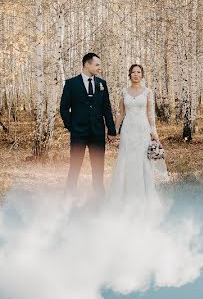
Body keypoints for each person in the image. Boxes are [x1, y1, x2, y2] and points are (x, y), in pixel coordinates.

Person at [108, 63, 167, 208]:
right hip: (128, 130)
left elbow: (150, 114)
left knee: (142, 160)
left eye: (138, 72)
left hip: (142, 130)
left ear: (142, 75)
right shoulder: (124, 92)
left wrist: (154, 133)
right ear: (130, 75)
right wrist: (113, 131)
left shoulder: (148, 92)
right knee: (126, 159)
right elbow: (120, 113)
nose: (136, 74)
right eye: (133, 72)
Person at [60, 52, 116, 197]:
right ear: (87, 64)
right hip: (78, 131)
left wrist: (111, 129)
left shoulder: (101, 84)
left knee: (98, 165)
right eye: (97, 65)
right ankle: (70, 194)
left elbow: (106, 108)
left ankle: (99, 194)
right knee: (75, 164)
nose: (99, 68)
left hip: (97, 132)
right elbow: (64, 108)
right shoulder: (71, 84)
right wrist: (71, 126)